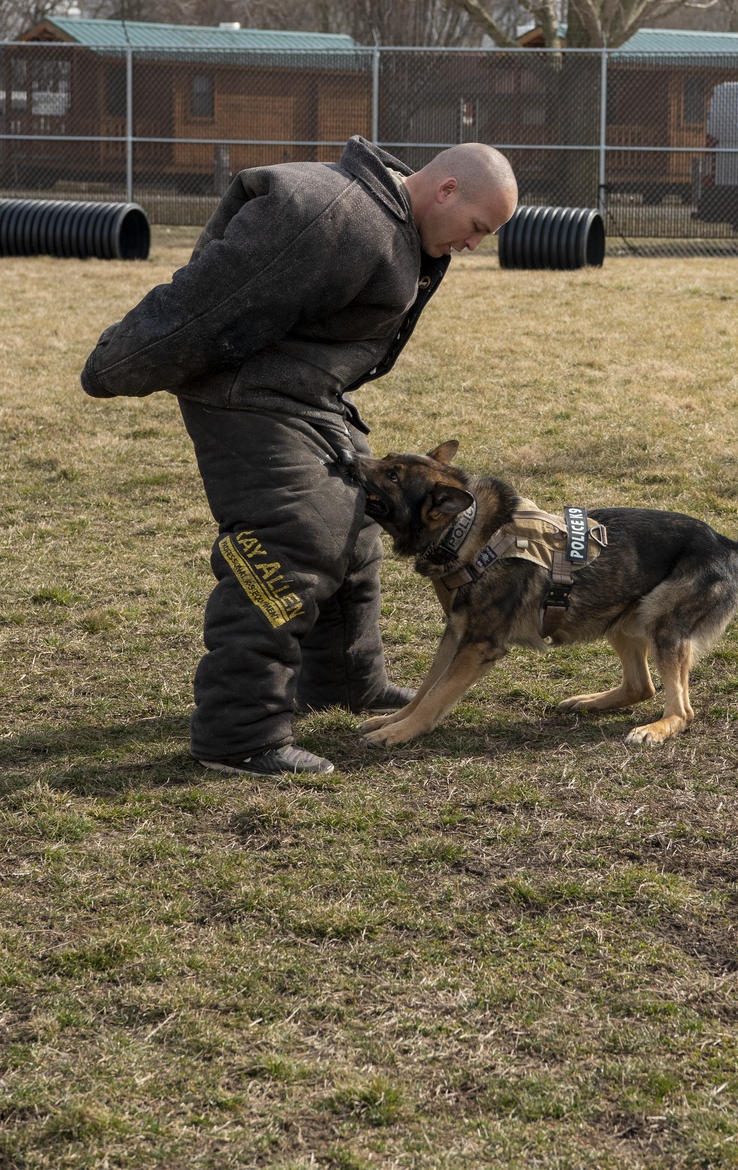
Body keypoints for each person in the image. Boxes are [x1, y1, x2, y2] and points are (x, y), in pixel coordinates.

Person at [80, 136, 518, 777]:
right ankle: (239, 735)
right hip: (243, 391)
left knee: (362, 518)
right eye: (478, 227)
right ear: (447, 190)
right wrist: (117, 363)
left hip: (304, 391)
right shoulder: (329, 215)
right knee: (294, 540)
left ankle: (345, 679)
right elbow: (213, 297)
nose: (475, 244)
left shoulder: (395, 224)